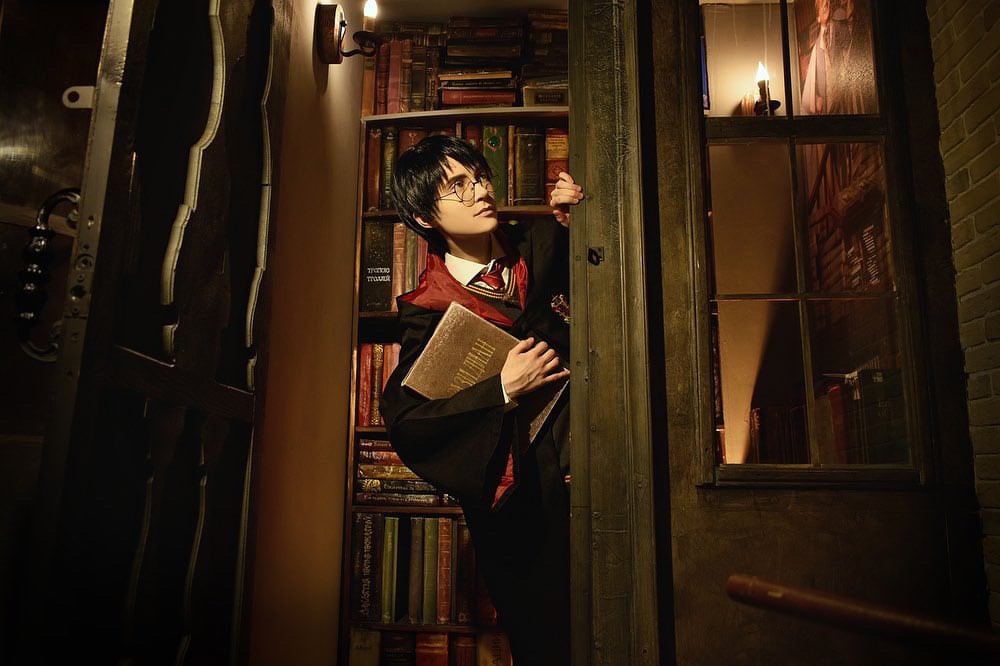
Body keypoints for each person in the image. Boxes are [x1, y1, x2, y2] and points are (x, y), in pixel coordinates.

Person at [379, 134, 583, 665]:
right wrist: (501, 390)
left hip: (605, 466)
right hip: (527, 511)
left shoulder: (546, 242)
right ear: (424, 217)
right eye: (458, 186)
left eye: (480, 176)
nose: (480, 191)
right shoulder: (428, 312)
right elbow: (411, 424)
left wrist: (581, 221)